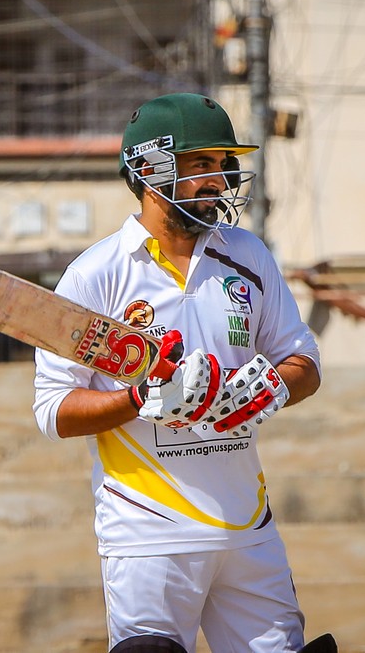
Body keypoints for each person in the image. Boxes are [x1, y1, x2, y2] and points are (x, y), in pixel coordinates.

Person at [32, 93, 332, 653]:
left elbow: (305, 364)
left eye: (222, 164)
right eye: (200, 164)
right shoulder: (96, 275)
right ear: (148, 169)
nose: (218, 179)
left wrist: (268, 386)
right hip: (147, 533)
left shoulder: (248, 254)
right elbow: (54, 411)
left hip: (247, 526)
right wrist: (140, 398)